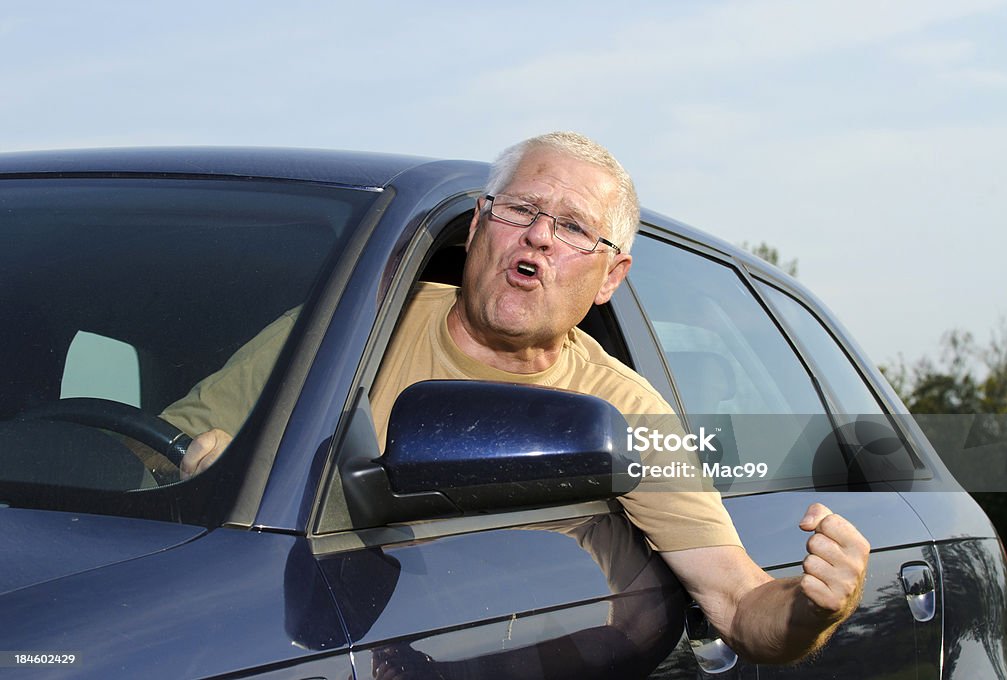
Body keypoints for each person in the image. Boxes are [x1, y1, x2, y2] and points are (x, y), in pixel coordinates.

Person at [161, 131, 870, 664]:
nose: (536, 235)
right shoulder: (344, 329)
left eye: (570, 228)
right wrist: (204, 464)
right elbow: (146, 450)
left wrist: (814, 608)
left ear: (610, 277)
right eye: (521, 209)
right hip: (266, 623)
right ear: (477, 226)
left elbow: (739, 602)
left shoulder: (624, 410)